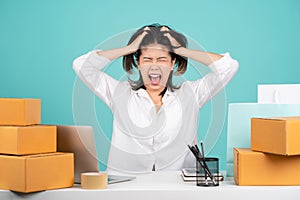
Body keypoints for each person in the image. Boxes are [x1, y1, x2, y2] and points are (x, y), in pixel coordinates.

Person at [73, 24, 239, 173]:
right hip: (125, 186)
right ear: (138, 62)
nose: (154, 66)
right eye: (147, 59)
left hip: (178, 187)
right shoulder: (118, 92)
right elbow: (82, 65)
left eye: (162, 59)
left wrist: (181, 50)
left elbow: (228, 66)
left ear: (173, 62)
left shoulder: (192, 93)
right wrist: (129, 48)